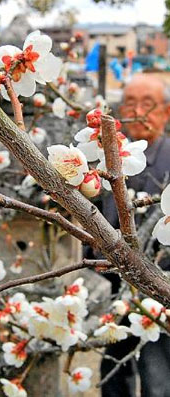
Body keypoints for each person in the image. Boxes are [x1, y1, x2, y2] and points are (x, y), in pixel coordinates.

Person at [100, 74, 170, 397]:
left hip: (160, 291)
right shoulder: (107, 156)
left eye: (148, 104)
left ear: (166, 113)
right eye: (130, 103)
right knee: (113, 378)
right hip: (114, 290)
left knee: (158, 382)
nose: (138, 112)